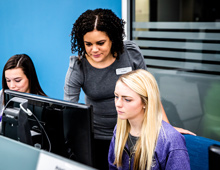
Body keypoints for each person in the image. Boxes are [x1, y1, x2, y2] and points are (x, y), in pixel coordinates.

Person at [64, 8, 194, 170]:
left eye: (100, 43)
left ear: (112, 39)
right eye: (88, 44)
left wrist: (166, 129)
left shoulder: (130, 54)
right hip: (99, 136)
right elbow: (70, 110)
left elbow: (149, 92)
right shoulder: (78, 67)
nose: (94, 49)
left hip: (134, 130)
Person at [108, 69, 190, 170]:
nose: (118, 104)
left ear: (145, 102)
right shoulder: (119, 130)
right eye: (116, 97)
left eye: (127, 99)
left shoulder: (170, 140)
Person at [0, 54, 46, 134]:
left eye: (17, 80)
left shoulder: (44, 106)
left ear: (29, 78)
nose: (12, 86)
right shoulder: (1, 95)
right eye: (8, 81)